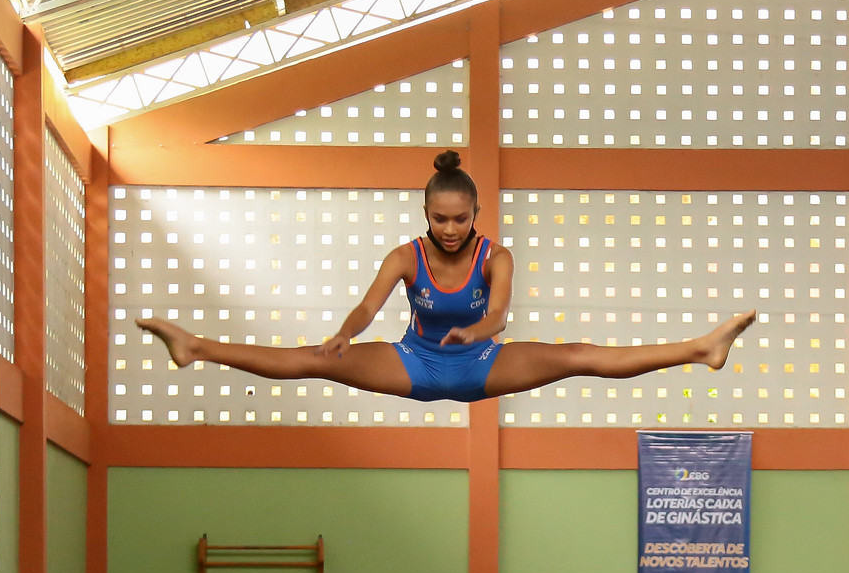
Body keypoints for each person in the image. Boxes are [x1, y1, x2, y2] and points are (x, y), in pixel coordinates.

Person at [136, 150, 756, 403]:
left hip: (482, 361)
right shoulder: (408, 255)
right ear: (426, 213)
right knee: (310, 359)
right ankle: (195, 347)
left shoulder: (497, 255)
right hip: (415, 362)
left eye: (461, 219)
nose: (451, 229)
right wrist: (343, 335)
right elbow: (366, 306)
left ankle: (701, 348)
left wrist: (473, 334)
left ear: (476, 215)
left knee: (578, 354)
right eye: (440, 218)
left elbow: (499, 316)